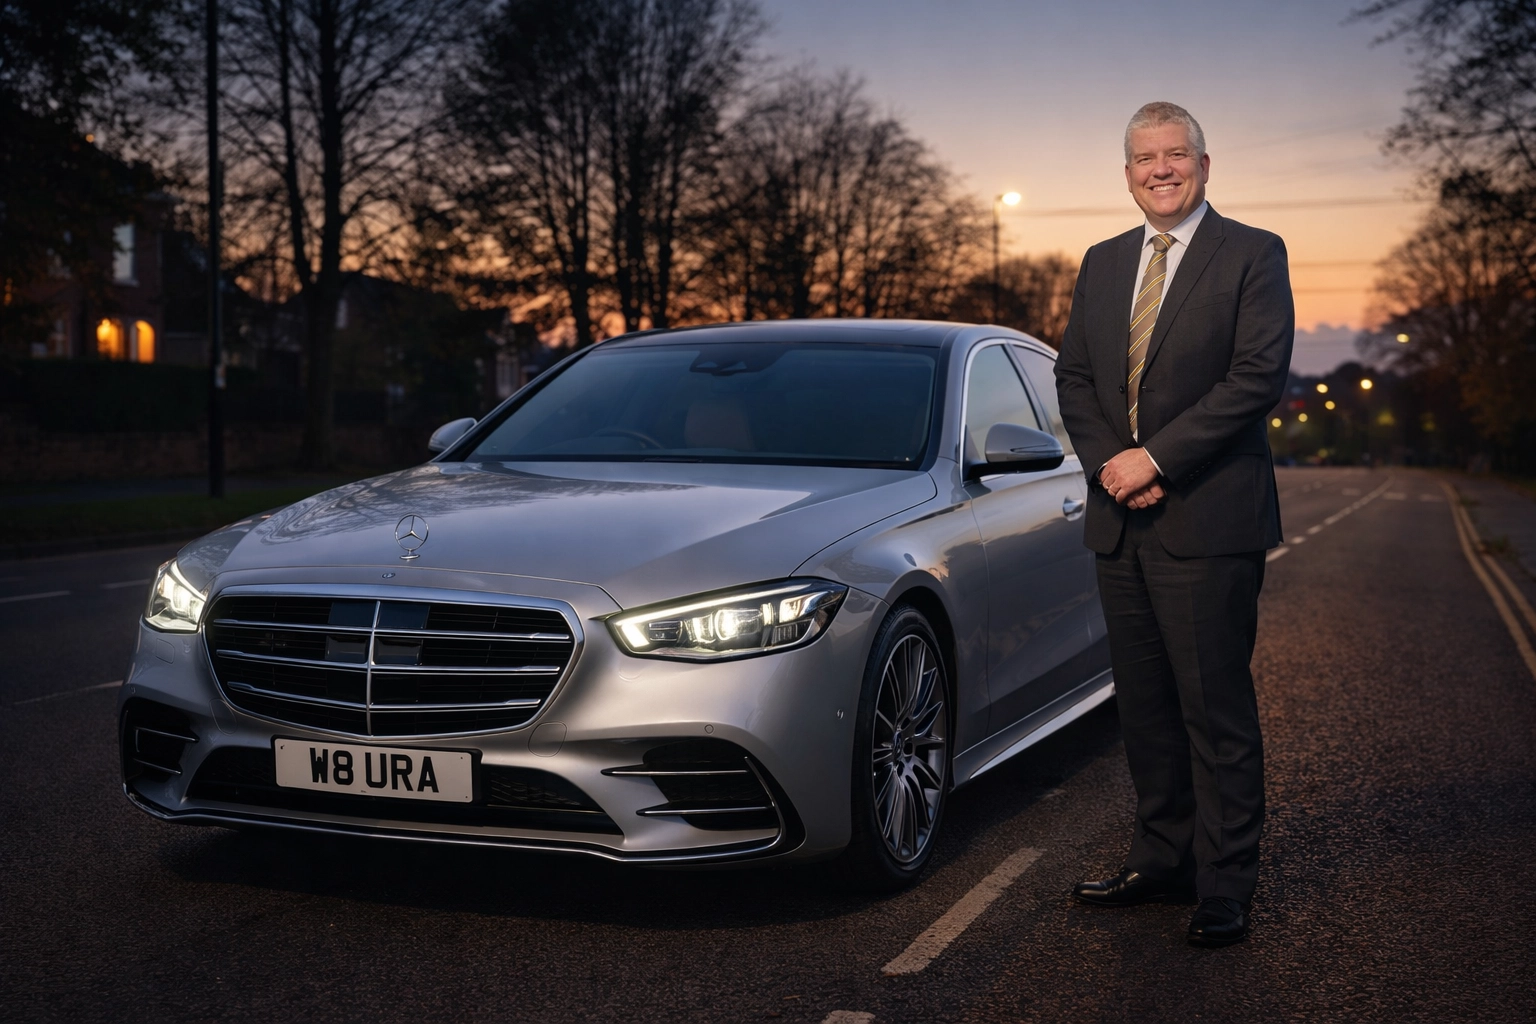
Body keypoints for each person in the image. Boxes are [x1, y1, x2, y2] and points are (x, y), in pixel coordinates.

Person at [1053, 101, 1293, 947]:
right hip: (1120, 521)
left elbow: (1256, 377)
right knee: (1145, 709)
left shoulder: (1253, 254)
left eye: (1176, 154)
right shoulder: (1102, 260)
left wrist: (1154, 460)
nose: (1161, 168)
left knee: (1213, 709)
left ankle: (1226, 883)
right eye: (1144, 157)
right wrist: (1113, 467)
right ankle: (1164, 860)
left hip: (1209, 516)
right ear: (1127, 173)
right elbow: (1076, 380)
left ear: (1203, 162)